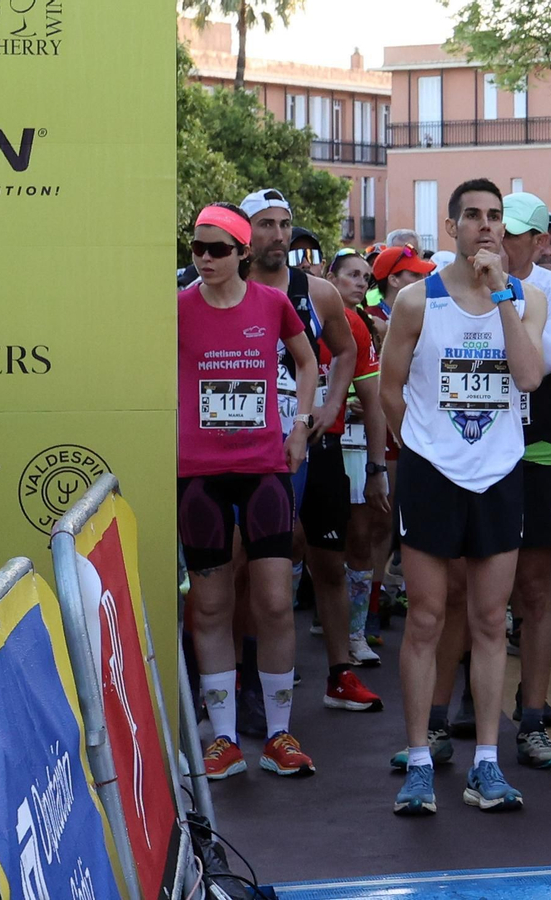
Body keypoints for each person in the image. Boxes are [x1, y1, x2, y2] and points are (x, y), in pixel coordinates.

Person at [383, 178, 548, 815]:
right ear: (452, 227)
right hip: (433, 474)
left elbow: (530, 377)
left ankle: (486, 761)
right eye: (473, 216)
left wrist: (502, 293)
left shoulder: (524, 296)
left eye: (495, 217)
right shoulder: (416, 302)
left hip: (500, 473)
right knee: (425, 617)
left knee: (488, 620)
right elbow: (390, 388)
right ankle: (420, 762)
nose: (486, 226)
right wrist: (425, 445)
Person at [180, 202, 319, 780]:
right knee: (210, 604)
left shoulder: (272, 302)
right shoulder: (177, 309)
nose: (205, 260)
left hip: (264, 467)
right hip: (199, 472)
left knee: (273, 601)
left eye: (216, 249)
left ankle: (281, 734)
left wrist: (301, 425)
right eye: (197, 249)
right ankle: (224, 739)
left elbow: (309, 362)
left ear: (241, 251)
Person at [240, 189, 381, 716]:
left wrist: (331, 403)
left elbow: (346, 350)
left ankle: (340, 672)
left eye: (285, 225)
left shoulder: (318, 292)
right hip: (249, 448)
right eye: (267, 225)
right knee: (250, 565)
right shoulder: (228, 287)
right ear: (244, 232)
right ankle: (246, 678)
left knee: (329, 558)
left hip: (312, 443)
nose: (278, 236)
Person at [499, 193, 551, 768]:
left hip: (536, 444)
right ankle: (443, 718)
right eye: (490, 228)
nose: (497, 241)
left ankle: (532, 716)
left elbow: (542, 366)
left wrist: (501, 302)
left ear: (540, 241)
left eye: (513, 234)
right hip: (469, 449)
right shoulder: (443, 286)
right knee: (461, 592)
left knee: (535, 589)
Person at [323, 251, 392, 677]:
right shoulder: (298, 314)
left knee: (361, 539)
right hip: (311, 444)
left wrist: (376, 467)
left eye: (365, 278)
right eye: (351, 275)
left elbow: (375, 402)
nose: (359, 283)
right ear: (331, 277)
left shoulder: (360, 327)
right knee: (300, 544)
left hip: (352, 444)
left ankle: (355, 634)